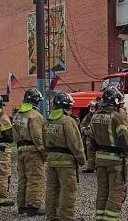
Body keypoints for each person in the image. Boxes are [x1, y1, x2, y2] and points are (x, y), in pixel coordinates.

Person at [89, 87, 128, 221]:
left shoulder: (95, 116)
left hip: (100, 159)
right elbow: (124, 139)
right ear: (115, 101)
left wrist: (96, 153)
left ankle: (100, 217)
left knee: (102, 190)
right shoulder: (117, 117)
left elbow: (91, 139)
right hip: (115, 161)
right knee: (116, 191)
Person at [44, 92, 86, 221]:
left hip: (51, 160)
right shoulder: (68, 121)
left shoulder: (46, 121)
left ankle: (51, 217)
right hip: (66, 162)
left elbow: (43, 141)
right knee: (68, 191)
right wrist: (81, 159)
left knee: (52, 190)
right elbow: (75, 143)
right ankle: (66, 218)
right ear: (67, 106)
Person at [12, 89, 46, 216]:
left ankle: (22, 206)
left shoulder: (17, 115)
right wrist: (44, 152)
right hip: (33, 151)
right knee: (35, 179)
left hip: (21, 150)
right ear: (35, 101)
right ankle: (33, 207)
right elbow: (38, 137)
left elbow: (14, 136)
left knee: (23, 179)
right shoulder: (35, 115)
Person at [79, 98, 99, 173]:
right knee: (89, 153)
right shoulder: (88, 116)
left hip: (97, 138)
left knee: (97, 153)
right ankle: (90, 167)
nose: (91, 108)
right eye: (91, 107)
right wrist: (84, 131)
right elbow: (82, 124)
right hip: (89, 138)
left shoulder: (98, 116)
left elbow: (97, 127)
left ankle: (98, 168)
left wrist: (88, 131)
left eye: (93, 107)